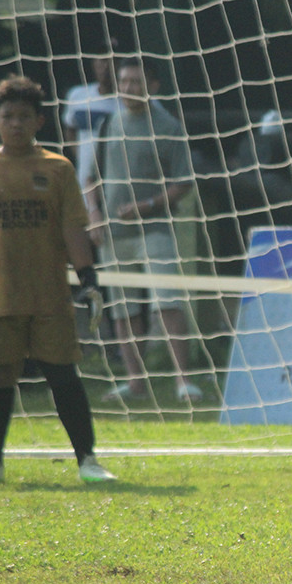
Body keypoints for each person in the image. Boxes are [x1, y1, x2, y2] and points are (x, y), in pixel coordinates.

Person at [0, 74, 116, 483]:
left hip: (49, 296)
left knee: (63, 376)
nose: (15, 123)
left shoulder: (57, 168)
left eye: (23, 117)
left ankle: (87, 460)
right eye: (7, 115)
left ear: (39, 122)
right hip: (0, 296)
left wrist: (88, 278)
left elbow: (72, 230)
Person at [87, 57, 202, 403]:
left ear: (153, 87)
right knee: (123, 311)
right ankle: (135, 382)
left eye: (135, 82)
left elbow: (183, 183)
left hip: (154, 231)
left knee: (166, 303)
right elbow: (91, 178)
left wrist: (146, 206)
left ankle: (184, 381)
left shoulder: (169, 126)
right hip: (112, 235)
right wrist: (94, 215)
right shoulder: (109, 123)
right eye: (123, 82)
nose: (128, 89)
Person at [61, 37, 120, 202]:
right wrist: (82, 157)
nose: (106, 65)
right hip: (86, 182)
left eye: (113, 60)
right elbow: (69, 128)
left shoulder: (135, 101)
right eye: (101, 59)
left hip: (121, 181)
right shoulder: (77, 95)